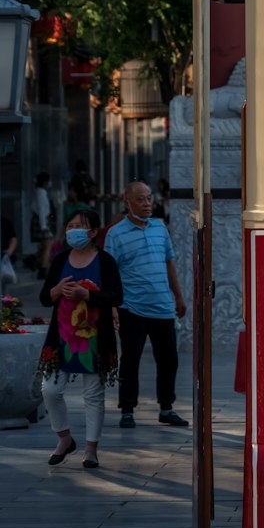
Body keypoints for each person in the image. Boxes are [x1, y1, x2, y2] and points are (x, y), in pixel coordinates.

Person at [37, 210, 123, 469]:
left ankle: (90, 449)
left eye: (80, 227)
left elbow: (116, 296)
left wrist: (88, 295)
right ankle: (64, 438)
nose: (73, 231)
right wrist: (56, 290)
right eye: (70, 226)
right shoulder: (61, 259)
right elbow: (44, 297)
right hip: (61, 338)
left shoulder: (105, 261)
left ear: (94, 232)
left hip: (95, 338)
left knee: (93, 395)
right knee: (49, 390)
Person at [105, 181, 188, 429]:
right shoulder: (115, 234)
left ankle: (166, 407)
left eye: (149, 198)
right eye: (140, 199)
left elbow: (169, 263)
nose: (147, 203)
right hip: (132, 307)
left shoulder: (160, 228)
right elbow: (109, 273)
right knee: (131, 360)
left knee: (169, 359)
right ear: (127, 203)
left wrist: (179, 297)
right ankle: (127, 409)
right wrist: (112, 307)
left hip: (162, 305)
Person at [31, 171, 54, 278]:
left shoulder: (39, 192)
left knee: (44, 245)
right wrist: (43, 225)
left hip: (41, 221)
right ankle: (43, 268)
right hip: (42, 221)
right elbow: (41, 210)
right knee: (48, 245)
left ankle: (36, 262)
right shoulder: (41, 193)